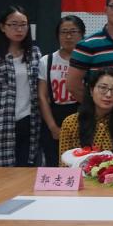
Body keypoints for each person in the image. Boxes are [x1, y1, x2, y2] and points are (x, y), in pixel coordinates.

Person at [0, 5, 42, 167]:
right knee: (4, 172)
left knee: (27, 168)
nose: (19, 29)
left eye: (23, 25)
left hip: (31, 120)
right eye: (13, 24)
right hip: (4, 122)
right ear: (2, 27)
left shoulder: (34, 53)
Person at [58, 67, 113, 164]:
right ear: (91, 90)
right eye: (103, 88)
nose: (108, 94)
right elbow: (64, 164)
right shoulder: (71, 123)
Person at [38, 15, 86, 167]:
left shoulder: (88, 61)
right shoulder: (46, 61)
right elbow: (42, 96)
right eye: (64, 32)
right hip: (54, 115)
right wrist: (52, 127)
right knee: (54, 163)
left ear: (82, 34)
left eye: (73, 32)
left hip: (81, 115)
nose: (68, 36)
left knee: (80, 163)